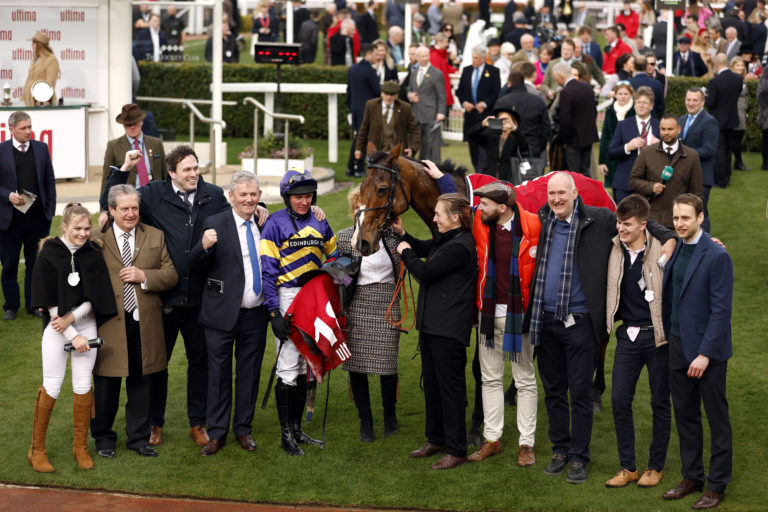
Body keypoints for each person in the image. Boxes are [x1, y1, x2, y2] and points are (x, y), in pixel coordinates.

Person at [524, 172, 676, 484]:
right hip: (546, 318)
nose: (556, 199)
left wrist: (672, 237)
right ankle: (560, 449)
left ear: (575, 193)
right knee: (553, 390)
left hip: (581, 321)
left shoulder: (599, 218)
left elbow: (636, 221)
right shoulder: (542, 219)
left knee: (580, 390)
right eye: (551, 193)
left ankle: (579, 456)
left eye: (562, 193)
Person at [99, 145, 234, 449]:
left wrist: (261, 206)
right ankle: (153, 424)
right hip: (164, 299)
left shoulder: (212, 194)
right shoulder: (153, 194)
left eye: (196, 168)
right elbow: (112, 201)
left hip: (201, 298)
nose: (193, 174)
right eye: (186, 170)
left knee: (200, 363)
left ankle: (197, 423)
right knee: (156, 365)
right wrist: (123, 170)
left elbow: (235, 215)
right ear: (171, 172)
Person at [28, 203, 117, 473]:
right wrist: (69, 331)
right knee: (52, 385)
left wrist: (74, 320)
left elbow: (97, 299)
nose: (83, 233)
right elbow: (49, 303)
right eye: (77, 228)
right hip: (57, 328)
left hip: (86, 324)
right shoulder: (49, 253)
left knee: (82, 385)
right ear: (64, 227)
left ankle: (80, 447)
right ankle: (37, 450)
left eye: (87, 228)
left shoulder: (92, 253)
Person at [91, 184, 178, 459]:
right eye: (125, 209)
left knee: (142, 383)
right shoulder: (95, 239)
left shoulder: (155, 235)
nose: (131, 214)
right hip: (109, 322)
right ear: (112, 210)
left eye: (135, 208)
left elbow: (171, 274)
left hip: (145, 322)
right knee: (106, 384)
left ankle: (138, 438)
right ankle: (103, 438)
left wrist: (145, 277)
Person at [188, 171, 270, 456]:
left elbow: (300, 211)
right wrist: (203, 247)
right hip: (221, 313)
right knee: (219, 375)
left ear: (259, 196)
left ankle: (244, 430)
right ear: (231, 196)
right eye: (243, 194)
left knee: (249, 374)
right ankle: (218, 432)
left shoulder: (266, 222)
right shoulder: (215, 223)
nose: (248, 199)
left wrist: (318, 207)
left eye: (253, 194)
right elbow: (193, 264)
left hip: (256, 314)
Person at [395, 193, 477, 470]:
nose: (434, 218)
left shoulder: (460, 246)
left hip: (449, 328)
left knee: (450, 390)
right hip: (433, 326)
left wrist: (404, 251)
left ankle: (456, 449)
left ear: (455, 217)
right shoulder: (447, 239)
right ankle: (437, 439)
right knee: (431, 385)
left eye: (438, 214)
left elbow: (425, 270)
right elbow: (422, 247)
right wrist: (402, 234)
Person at [661, 194, 733, 510]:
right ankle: (692, 476)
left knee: (717, 420)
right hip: (677, 345)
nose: (679, 223)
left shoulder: (717, 256)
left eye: (686, 218)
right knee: (686, 416)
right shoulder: (677, 246)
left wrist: (704, 354)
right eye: (676, 218)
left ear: (700, 218)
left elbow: (721, 311)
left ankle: (716, 486)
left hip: (708, 354)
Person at [261, 169, 337, 456]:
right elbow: (267, 273)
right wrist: (273, 314)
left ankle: (296, 429)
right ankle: (285, 436)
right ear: (286, 197)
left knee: (306, 365)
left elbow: (332, 254)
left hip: (314, 296)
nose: (303, 202)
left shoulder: (320, 221)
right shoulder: (274, 224)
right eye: (297, 197)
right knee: (289, 365)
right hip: (286, 296)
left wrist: (333, 270)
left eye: (308, 196)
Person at [465, 182, 540, 468]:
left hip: (518, 317)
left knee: (524, 380)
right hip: (488, 314)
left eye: (484, 204)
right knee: (490, 378)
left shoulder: (533, 225)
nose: (478, 208)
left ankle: (526, 444)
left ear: (502, 208)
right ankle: (492, 439)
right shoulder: (482, 222)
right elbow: (454, 203)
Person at [603, 195, 671, 489]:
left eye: (628, 224)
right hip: (628, 337)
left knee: (659, 403)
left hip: (658, 338)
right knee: (619, 400)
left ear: (644, 225)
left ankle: (655, 467)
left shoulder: (663, 247)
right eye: (619, 222)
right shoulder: (613, 246)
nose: (621, 228)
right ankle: (628, 467)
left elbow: (683, 238)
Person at [336, 186, 403, 442]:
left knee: (388, 367)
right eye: (357, 208)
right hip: (357, 305)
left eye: (367, 209)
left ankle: (390, 415)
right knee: (357, 367)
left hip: (386, 304)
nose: (362, 213)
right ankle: (366, 421)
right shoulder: (344, 238)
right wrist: (342, 274)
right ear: (353, 211)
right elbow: (334, 274)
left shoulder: (392, 238)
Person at [0, 111, 56, 321]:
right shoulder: (1, 150)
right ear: (11, 129)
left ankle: (34, 304)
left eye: (30, 127)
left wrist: (50, 211)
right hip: (9, 219)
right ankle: (11, 306)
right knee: (9, 264)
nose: (28, 131)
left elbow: (49, 179)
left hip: (38, 218)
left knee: (35, 263)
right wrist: (8, 196)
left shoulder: (41, 148)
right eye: (23, 128)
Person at [629, 115, 704, 230]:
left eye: (670, 129)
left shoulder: (692, 156)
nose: (666, 133)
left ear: (678, 129)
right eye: (663, 129)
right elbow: (633, 180)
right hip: (651, 218)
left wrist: (691, 218)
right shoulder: (647, 152)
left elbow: (696, 191)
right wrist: (651, 187)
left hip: (679, 222)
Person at [98, 104, 167, 228]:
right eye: (128, 125)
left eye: (135, 123)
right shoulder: (113, 146)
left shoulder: (156, 143)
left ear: (141, 121)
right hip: (127, 201)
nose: (132, 127)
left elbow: (164, 174)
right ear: (123, 125)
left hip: (154, 200)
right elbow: (106, 178)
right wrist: (103, 210)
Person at [607, 87, 661, 203]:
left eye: (645, 102)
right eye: (638, 102)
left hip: (651, 183)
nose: (641, 105)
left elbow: (670, 154)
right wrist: (628, 147)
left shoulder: (659, 126)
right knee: (624, 218)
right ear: (634, 105)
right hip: (625, 183)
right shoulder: (623, 125)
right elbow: (611, 153)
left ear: (651, 106)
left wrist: (659, 145)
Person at [680, 87, 720, 233]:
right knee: (686, 214)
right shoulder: (682, 119)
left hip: (702, 176)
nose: (691, 103)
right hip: (684, 175)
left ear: (702, 102)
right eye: (688, 99)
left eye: (694, 100)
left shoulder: (710, 122)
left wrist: (682, 152)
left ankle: (706, 248)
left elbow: (709, 150)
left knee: (700, 214)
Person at [456, 45, 501, 171]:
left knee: (487, 147)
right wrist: (464, 102)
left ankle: (485, 172)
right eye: (472, 57)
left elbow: (496, 92)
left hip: (487, 115)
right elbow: (460, 91)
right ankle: (477, 170)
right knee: (473, 147)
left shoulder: (493, 71)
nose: (473, 60)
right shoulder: (467, 70)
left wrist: (485, 104)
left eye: (476, 58)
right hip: (471, 116)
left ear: (483, 58)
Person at [553, 62, 598, 176]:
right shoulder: (587, 87)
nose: (556, 82)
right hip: (587, 137)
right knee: (585, 172)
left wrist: (562, 141)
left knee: (574, 175)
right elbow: (594, 111)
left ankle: (578, 195)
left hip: (572, 141)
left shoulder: (566, 92)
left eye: (555, 79)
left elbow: (565, 120)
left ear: (560, 76)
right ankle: (586, 194)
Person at [355, 81, 420, 160]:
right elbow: (364, 128)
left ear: (397, 95)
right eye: (386, 94)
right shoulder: (371, 105)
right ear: (381, 93)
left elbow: (415, 130)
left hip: (398, 153)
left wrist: (412, 148)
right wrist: (358, 148)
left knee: (397, 172)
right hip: (375, 151)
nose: (389, 97)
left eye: (392, 95)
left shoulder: (405, 108)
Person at [706, 53, 743, 188]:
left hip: (718, 120)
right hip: (732, 119)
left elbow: (710, 103)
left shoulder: (714, 82)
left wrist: (706, 96)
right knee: (728, 149)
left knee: (720, 150)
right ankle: (727, 175)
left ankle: (722, 180)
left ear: (716, 65)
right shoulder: (738, 79)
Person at [346, 43, 381, 176]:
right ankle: (358, 168)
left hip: (355, 109)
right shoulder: (370, 71)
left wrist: (351, 107)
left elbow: (348, 91)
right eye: (375, 54)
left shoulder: (353, 69)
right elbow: (377, 91)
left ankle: (351, 167)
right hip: (367, 111)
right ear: (369, 54)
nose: (377, 57)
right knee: (363, 139)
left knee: (357, 138)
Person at [408, 47, 446, 163]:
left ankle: (436, 173)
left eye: (426, 56)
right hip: (416, 115)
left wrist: (441, 113)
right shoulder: (413, 72)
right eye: (422, 56)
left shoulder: (437, 74)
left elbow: (441, 95)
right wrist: (410, 95)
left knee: (432, 148)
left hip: (431, 115)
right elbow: (409, 89)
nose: (424, 58)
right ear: (417, 57)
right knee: (417, 146)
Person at [469, 108, 528, 182]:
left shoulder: (516, 137)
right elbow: (471, 135)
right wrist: (482, 124)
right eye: (500, 120)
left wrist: (514, 128)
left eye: (506, 120)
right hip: (489, 176)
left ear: (512, 121)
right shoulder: (490, 136)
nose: (503, 122)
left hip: (508, 177)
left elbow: (525, 147)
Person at [598, 82, 635, 193]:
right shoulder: (610, 111)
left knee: (631, 187)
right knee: (615, 187)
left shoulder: (635, 111)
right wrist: (602, 161)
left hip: (630, 154)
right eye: (620, 93)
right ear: (615, 95)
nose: (623, 96)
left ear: (631, 95)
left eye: (626, 94)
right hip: (613, 154)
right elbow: (605, 135)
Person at [22, 32, 59, 107]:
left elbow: (50, 83)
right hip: (29, 99)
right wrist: (24, 98)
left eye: (33, 44)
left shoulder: (51, 60)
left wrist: (40, 101)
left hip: (43, 101)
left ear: (39, 46)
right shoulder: (35, 59)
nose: (32, 46)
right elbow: (29, 80)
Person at [629, 55, 665, 119]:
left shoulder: (628, 83)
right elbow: (661, 107)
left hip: (631, 121)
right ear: (646, 66)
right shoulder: (656, 84)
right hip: (651, 120)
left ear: (634, 66)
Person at [729, 56, 750, 172]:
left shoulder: (743, 79)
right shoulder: (732, 80)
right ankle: (738, 162)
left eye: (742, 65)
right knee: (735, 138)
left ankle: (737, 162)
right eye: (738, 65)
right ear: (732, 66)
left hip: (742, 111)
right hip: (735, 112)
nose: (741, 67)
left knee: (738, 138)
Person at [758, 66, 768, 171]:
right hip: (766, 113)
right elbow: (761, 95)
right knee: (766, 139)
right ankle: (765, 163)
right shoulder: (765, 75)